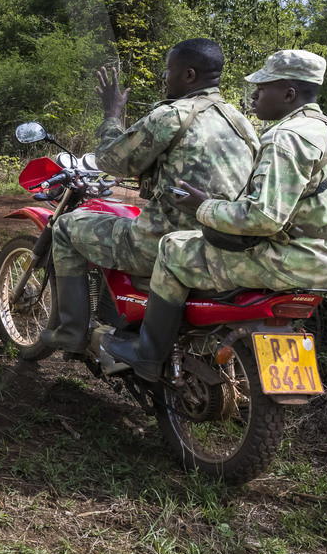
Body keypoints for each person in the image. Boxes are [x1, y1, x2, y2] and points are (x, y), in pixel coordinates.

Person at [104, 49, 327, 381]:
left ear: (289, 94)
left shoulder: (287, 137)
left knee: (173, 249)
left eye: (263, 87)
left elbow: (263, 218)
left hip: (286, 262)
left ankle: (147, 354)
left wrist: (202, 205)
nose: (255, 94)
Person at [39, 39, 258, 354]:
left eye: (169, 71)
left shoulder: (171, 116)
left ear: (189, 75)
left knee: (64, 228)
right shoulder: (242, 124)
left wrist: (112, 115)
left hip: (163, 247)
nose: (164, 78)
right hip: (221, 248)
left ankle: (71, 332)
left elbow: (111, 160)